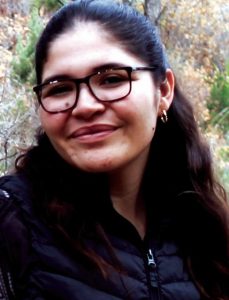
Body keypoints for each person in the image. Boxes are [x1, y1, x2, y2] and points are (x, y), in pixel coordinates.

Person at [0, 0, 228, 299]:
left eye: (111, 79)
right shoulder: (11, 224)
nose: (85, 106)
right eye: (60, 88)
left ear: (164, 91)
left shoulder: (203, 229)